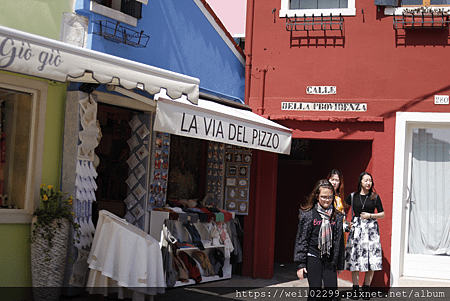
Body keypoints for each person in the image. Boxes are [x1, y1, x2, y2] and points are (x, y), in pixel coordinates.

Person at [295, 179, 345, 301]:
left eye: (329, 197)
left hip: (329, 258)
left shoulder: (337, 216)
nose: (326, 200)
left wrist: (340, 262)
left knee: (331, 291)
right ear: (317, 196)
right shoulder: (308, 214)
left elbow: (339, 241)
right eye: (323, 197)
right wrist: (300, 264)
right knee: (315, 290)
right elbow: (302, 239)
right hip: (313, 255)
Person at [344, 172, 385, 300]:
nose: (368, 183)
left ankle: (366, 289)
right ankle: (355, 290)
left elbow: (382, 214)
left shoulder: (374, 197)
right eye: (366, 180)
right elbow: (341, 209)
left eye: (370, 181)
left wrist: (370, 215)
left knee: (370, 260)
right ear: (360, 182)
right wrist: (345, 222)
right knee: (355, 259)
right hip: (356, 230)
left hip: (371, 231)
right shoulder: (352, 196)